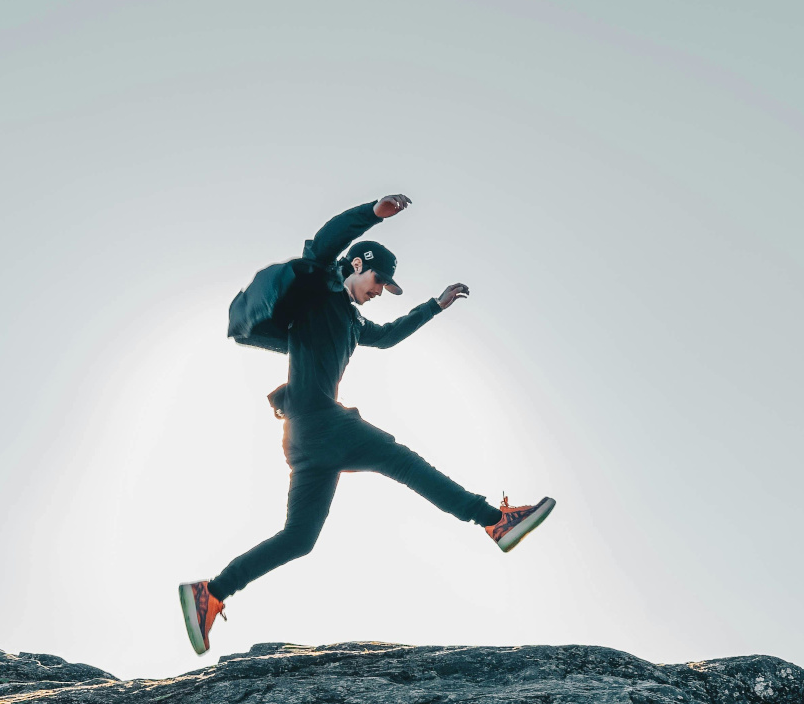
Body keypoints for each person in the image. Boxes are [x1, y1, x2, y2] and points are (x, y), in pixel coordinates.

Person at [178, 194, 553, 655]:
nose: (380, 291)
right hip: (321, 423)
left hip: (303, 439)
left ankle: (211, 593)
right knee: (402, 461)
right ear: (358, 265)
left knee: (299, 539)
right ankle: (495, 521)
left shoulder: (353, 322)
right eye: (379, 281)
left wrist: (434, 306)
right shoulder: (319, 288)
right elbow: (324, 244)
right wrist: (373, 212)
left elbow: (389, 336)